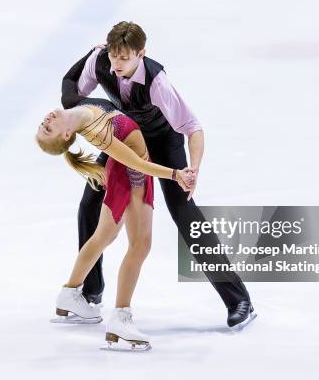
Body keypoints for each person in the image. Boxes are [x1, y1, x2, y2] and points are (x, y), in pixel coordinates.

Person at [61, 21, 255, 328]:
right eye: (113, 55)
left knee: (185, 215)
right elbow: (73, 94)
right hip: (124, 141)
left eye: (125, 57)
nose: (117, 63)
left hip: (163, 143)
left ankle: (239, 299)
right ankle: (90, 292)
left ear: (141, 53)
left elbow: (192, 127)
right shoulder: (100, 62)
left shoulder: (156, 82)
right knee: (89, 205)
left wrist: (194, 167)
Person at [36, 98, 195, 349]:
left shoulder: (78, 109)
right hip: (131, 173)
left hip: (122, 170)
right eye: (48, 129)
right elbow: (138, 163)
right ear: (67, 134)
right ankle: (121, 318)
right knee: (140, 244)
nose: (45, 121)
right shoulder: (98, 133)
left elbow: (75, 81)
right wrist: (176, 175)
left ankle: (69, 293)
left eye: (42, 125)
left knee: (104, 236)